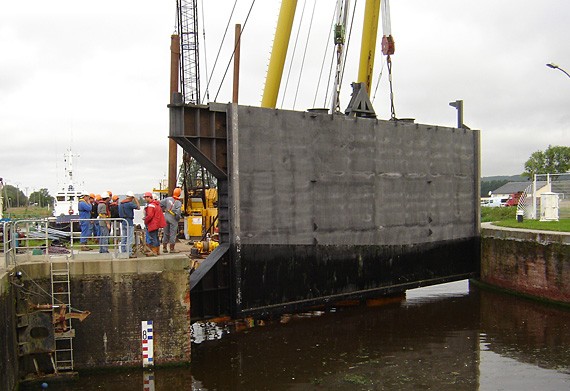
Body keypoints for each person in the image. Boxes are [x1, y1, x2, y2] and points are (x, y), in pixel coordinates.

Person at [160, 187, 183, 253]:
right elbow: (178, 212)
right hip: (173, 218)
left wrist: (163, 210)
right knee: (173, 233)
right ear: (179, 194)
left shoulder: (167, 199)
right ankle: (172, 249)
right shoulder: (178, 202)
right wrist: (177, 218)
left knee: (166, 232)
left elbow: (160, 204)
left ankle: (164, 248)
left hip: (166, 216)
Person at [118, 191, 140, 257]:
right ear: (131, 197)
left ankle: (123, 252)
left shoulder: (121, 204)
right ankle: (129, 253)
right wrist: (136, 200)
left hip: (123, 222)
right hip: (129, 221)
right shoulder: (129, 204)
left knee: (124, 238)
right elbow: (138, 207)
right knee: (130, 238)